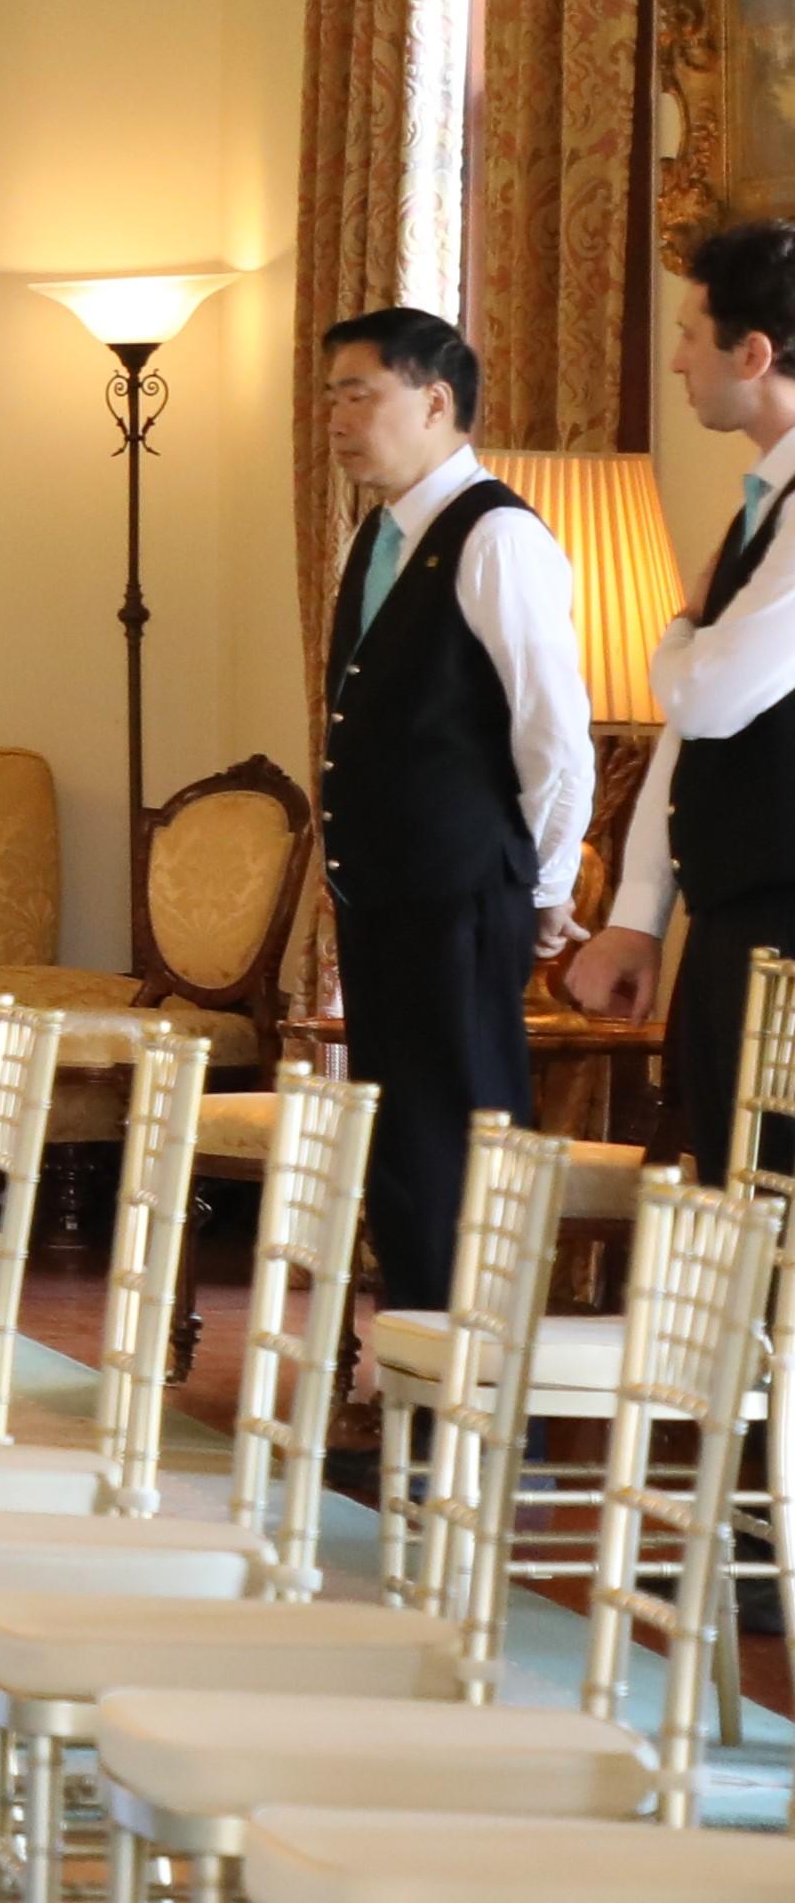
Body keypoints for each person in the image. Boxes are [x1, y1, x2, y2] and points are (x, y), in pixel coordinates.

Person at [312, 304, 599, 1312]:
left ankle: (485, 1418)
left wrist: (546, 886)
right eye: (330, 398)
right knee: (404, 1150)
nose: (339, 420)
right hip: (388, 898)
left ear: (435, 401)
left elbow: (554, 735)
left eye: (361, 394)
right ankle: (417, 1402)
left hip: (464, 896)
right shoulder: (380, 537)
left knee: (466, 1146)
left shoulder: (496, 538)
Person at [551, 221, 795, 1163]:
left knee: (763, 1212)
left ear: (756, 351)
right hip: (742, 922)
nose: (678, 360)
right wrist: (634, 918)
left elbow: (708, 698)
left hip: (782, 936)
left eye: (693, 333)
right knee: (724, 1200)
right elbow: (693, 742)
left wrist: (683, 627)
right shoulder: (764, 504)